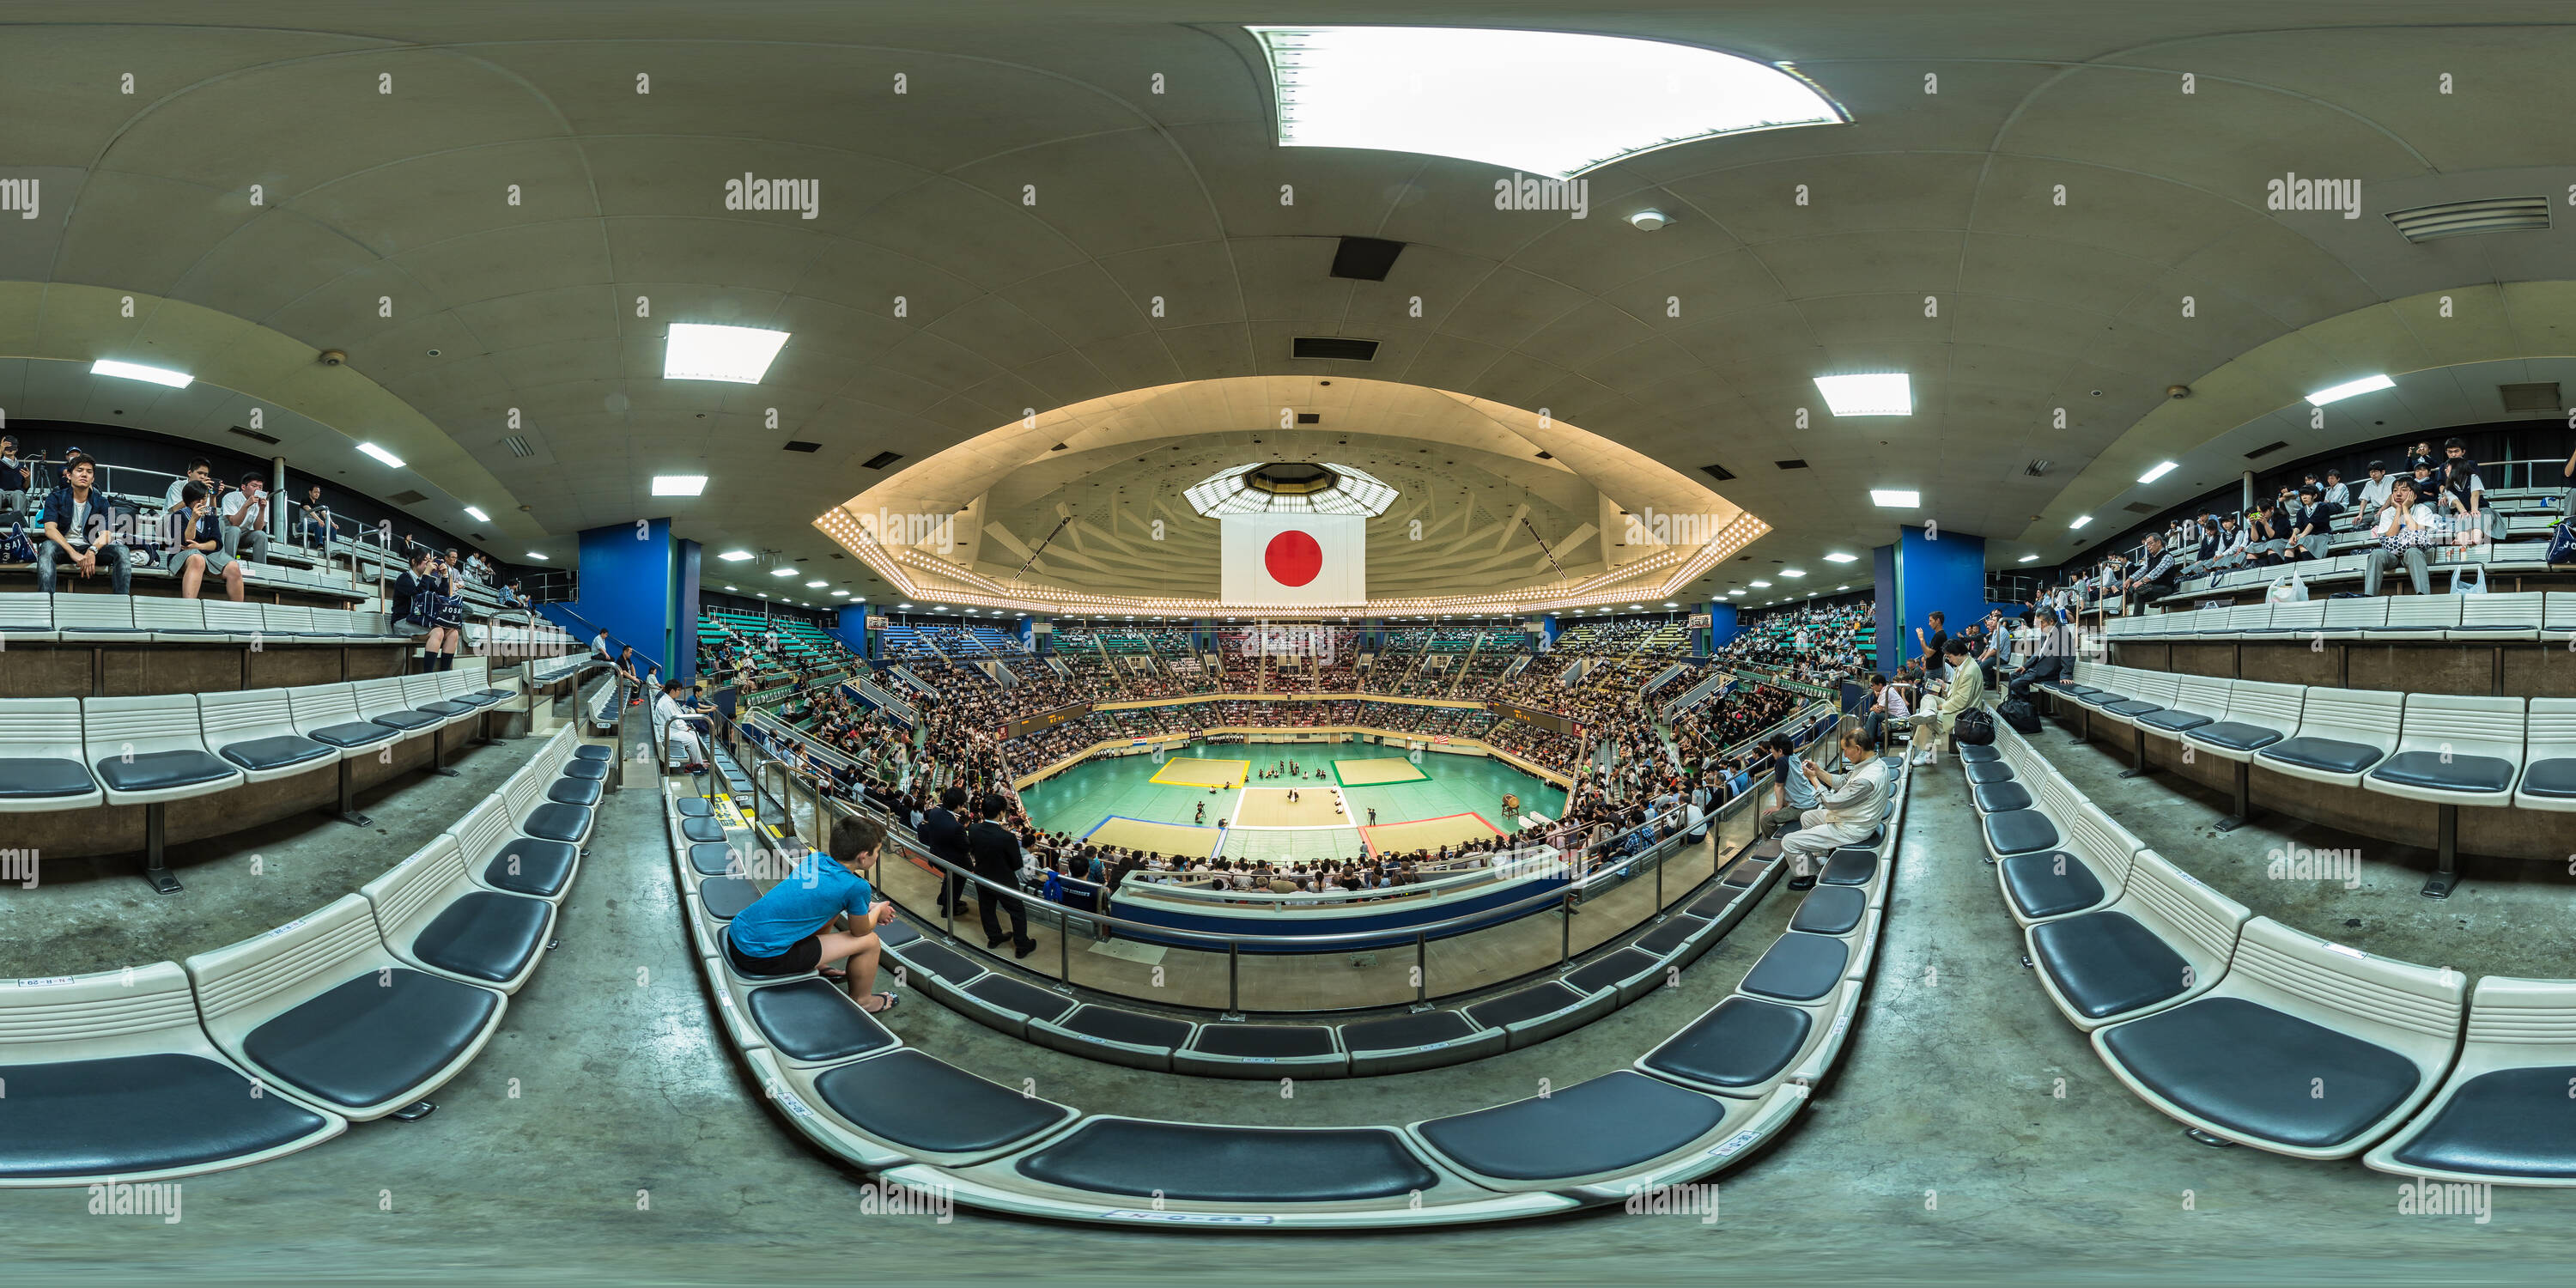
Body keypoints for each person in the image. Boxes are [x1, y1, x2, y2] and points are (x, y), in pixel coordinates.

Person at [723, 815, 900, 1012]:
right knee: (871, 942)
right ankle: (863, 1000)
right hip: (762, 957)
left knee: (831, 910)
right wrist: (877, 911)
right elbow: (860, 931)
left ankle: (818, 964)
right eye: (877, 852)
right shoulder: (858, 887)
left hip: (739, 935)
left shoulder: (816, 859)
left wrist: (870, 906)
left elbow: (826, 896)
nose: (878, 856)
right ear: (863, 856)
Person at [1780, 725, 1893, 890]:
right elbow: (1842, 781)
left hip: (1853, 828)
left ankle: (1809, 874)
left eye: (1845, 750)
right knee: (1807, 817)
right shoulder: (1873, 763)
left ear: (1857, 749)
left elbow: (1831, 802)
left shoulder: (1867, 779)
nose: (1844, 754)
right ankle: (1821, 856)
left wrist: (1813, 780)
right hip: (1854, 816)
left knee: (1789, 842)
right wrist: (1818, 771)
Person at [35, 453, 132, 594]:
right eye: (79, 470)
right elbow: (50, 530)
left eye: (89, 472)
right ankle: (45, 600)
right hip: (64, 547)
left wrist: (93, 550)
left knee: (122, 551)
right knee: (46, 547)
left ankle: (122, 603)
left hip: (90, 547)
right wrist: (72, 552)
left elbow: (107, 533)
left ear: (92, 478)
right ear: (69, 475)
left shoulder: (103, 502)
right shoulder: (55, 497)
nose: (84, 475)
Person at [969, 793, 1037, 957]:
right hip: (1004, 881)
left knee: (987, 909)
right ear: (1001, 813)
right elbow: (1016, 864)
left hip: (982, 877)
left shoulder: (973, 829)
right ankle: (1021, 946)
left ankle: (994, 938)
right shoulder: (1007, 837)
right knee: (1017, 912)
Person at [1905, 638, 1984, 766]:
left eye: (1949, 656)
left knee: (1929, 720)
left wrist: (1941, 707)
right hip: (1956, 705)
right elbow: (1959, 689)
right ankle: (1929, 711)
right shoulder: (1963, 664)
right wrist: (1945, 686)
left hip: (1964, 714)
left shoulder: (1970, 671)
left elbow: (1962, 700)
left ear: (1958, 653)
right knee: (1927, 697)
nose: (1949, 660)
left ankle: (1925, 751)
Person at [163, 482, 246, 602]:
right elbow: (185, 543)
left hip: (207, 555)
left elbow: (216, 543)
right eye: (198, 499)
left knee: (233, 566)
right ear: (189, 499)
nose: (202, 502)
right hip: (180, 555)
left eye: (204, 498)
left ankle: (238, 611)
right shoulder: (177, 516)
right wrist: (193, 520)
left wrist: (200, 546)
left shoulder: (210, 514)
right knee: (198, 559)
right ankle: (188, 608)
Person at [2366, 477, 2439, 596]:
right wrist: (2398, 510)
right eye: (2395, 490)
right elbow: (2391, 535)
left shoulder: (2423, 510)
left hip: (2413, 553)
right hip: (2392, 555)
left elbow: (2415, 530)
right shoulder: (2387, 512)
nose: (2398, 493)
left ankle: (2423, 596)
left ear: (2414, 496)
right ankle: (2369, 597)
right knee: (2376, 554)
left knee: (2413, 552)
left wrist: (2405, 508)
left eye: (2404, 490)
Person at [1759, 732, 1818, 836]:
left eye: (1772, 749)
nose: (1771, 751)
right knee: (1785, 804)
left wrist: (1778, 807)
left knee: (1766, 820)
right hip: (1812, 799)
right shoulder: (1793, 756)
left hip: (1804, 807)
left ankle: (1772, 846)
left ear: (1780, 751)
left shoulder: (1781, 761)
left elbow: (1779, 786)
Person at [653, 680, 710, 772]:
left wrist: (685, 727)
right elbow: (673, 721)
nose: (680, 692)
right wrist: (684, 728)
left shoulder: (669, 700)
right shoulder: (666, 703)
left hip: (671, 728)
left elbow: (677, 717)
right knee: (691, 740)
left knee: (692, 733)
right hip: (667, 732)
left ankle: (698, 760)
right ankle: (698, 765)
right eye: (678, 690)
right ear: (672, 690)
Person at [219, 472, 273, 564]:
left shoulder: (263, 503)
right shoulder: (231, 497)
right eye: (254, 486)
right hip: (225, 533)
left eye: (260, 487)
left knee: (261, 535)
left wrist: (262, 509)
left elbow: (258, 529)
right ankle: (228, 565)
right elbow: (234, 523)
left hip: (243, 536)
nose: (258, 489)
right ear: (243, 487)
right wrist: (246, 505)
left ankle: (260, 569)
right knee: (235, 530)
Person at [2121, 532, 2179, 612]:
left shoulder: (2167, 557)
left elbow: (2156, 572)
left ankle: (2137, 620)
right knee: (2134, 590)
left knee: (2139, 592)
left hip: (2165, 588)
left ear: (2158, 542)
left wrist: (2141, 582)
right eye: (2147, 545)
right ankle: (2137, 618)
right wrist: (2129, 580)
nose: (2148, 547)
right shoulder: (2151, 559)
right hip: (2152, 587)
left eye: (2150, 544)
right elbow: (2142, 571)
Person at [2287, 483, 2340, 562]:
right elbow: (2298, 526)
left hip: (2322, 536)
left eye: (2307, 494)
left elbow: (2312, 524)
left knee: (2302, 542)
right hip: (2308, 537)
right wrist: (2293, 536)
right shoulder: (2301, 511)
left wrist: (2301, 537)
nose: (2304, 497)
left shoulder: (2323, 507)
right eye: (2302, 495)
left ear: (2314, 496)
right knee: (2289, 545)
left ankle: (2310, 568)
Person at [0, 435, 29, 528]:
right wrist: (0, 450)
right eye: (7, 447)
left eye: (12, 447)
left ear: (16, 449)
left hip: (16, 495)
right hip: (1, 493)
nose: (9, 449)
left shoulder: (21, 466)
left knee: (19, 493)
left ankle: (18, 526)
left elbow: (25, 487)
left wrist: (27, 479)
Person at [296, 483, 337, 549]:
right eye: (315, 492)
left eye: (318, 492)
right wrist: (319, 520)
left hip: (316, 526)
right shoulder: (305, 500)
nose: (317, 494)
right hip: (303, 525)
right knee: (319, 524)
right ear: (310, 492)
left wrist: (332, 523)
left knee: (332, 529)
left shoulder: (318, 505)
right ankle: (319, 545)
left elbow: (325, 515)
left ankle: (333, 548)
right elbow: (310, 511)